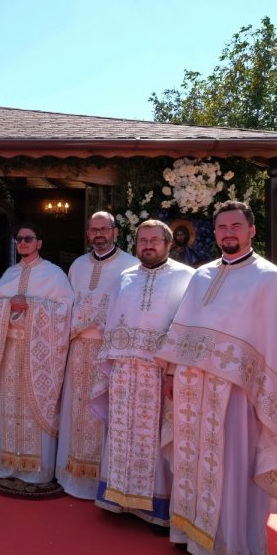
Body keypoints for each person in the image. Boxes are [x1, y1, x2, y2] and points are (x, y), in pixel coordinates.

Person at [154, 201, 277, 555]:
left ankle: (235, 549)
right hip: (194, 393)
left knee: (233, 471)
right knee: (194, 465)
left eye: (235, 226)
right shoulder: (202, 276)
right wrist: (172, 373)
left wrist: (273, 395)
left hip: (237, 396)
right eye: (222, 227)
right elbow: (183, 329)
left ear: (251, 231)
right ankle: (192, 536)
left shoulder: (271, 280)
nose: (228, 233)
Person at [95, 220, 193, 529]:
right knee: (121, 433)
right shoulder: (125, 278)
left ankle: (156, 507)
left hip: (159, 372)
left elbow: (187, 327)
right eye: (142, 240)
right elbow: (110, 321)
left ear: (168, 244)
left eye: (154, 240)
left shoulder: (187, 277)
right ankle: (119, 497)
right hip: (124, 372)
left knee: (157, 436)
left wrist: (173, 372)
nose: (148, 245)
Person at [0, 223, 75, 483]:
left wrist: (31, 306)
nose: (22, 242)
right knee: (9, 405)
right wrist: (8, 306)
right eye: (19, 239)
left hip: (39, 355)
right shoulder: (10, 273)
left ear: (39, 243)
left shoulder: (54, 274)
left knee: (34, 407)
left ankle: (36, 469)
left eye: (28, 238)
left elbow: (66, 310)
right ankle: (8, 463)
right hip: (10, 351)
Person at [55, 212, 136, 499]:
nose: (98, 234)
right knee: (75, 408)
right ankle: (71, 474)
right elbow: (67, 305)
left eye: (104, 229)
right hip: (77, 349)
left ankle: (101, 480)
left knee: (101, 411)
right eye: (93, 230)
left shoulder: (131, 265)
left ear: (115, 232)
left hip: (108, 352)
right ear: (88, 234)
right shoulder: (77, 265)